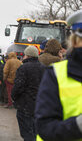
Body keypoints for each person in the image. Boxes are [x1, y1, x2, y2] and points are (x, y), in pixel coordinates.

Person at [35, 10, 82, 141]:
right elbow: (45, 127)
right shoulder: (56, 73)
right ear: (75, 40)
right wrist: (78, 125)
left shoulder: (43, 62)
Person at [11, 46, 45, 141]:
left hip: (25, 105)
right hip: (39, 106)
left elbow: (18, 86)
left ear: (27, 55)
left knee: (27, 133)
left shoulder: (23, 68)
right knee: (36, 132)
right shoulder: (44, 68)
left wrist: (13, 97)